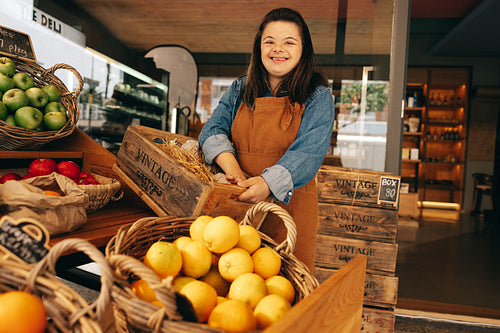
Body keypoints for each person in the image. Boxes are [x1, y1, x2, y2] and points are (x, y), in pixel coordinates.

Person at [198, 7, 335, 271]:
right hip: (235, 204)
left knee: (282, 287)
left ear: (303, 50)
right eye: (269, 41)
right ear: (258, 48)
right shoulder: (239, 89)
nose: (277, 49)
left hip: (289, 210)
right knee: (231, 279)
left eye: (289, 42)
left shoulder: (318, 96)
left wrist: (266, 184)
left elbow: (308, 153)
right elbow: (212, 131)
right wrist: (235, 173)